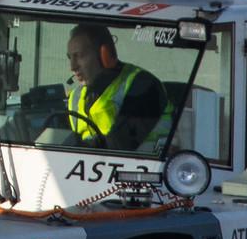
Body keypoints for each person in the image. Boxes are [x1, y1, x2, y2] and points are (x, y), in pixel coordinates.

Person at [58, 23, 166, 151]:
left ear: (105, 54)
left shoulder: (142, 86)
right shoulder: (75, 97)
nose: (72, 67)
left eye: (79, 56)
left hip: (144, 167)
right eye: (70, 58)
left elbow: (121, 144)